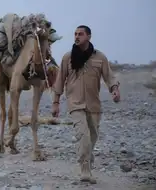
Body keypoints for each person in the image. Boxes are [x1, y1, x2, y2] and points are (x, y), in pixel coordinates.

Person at [51, 25, 120, 184]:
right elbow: (60, 80)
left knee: (92, 137)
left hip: (94, 104)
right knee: (83, 136)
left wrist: (114, 89)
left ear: (88, 36)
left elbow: (109, 76)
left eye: (80, 34)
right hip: (75, 103)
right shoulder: (68, 57)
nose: (76, 36)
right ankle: (85, 171)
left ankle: (87, 158)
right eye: (75, 34)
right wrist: (56, 102)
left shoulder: (100, 57)